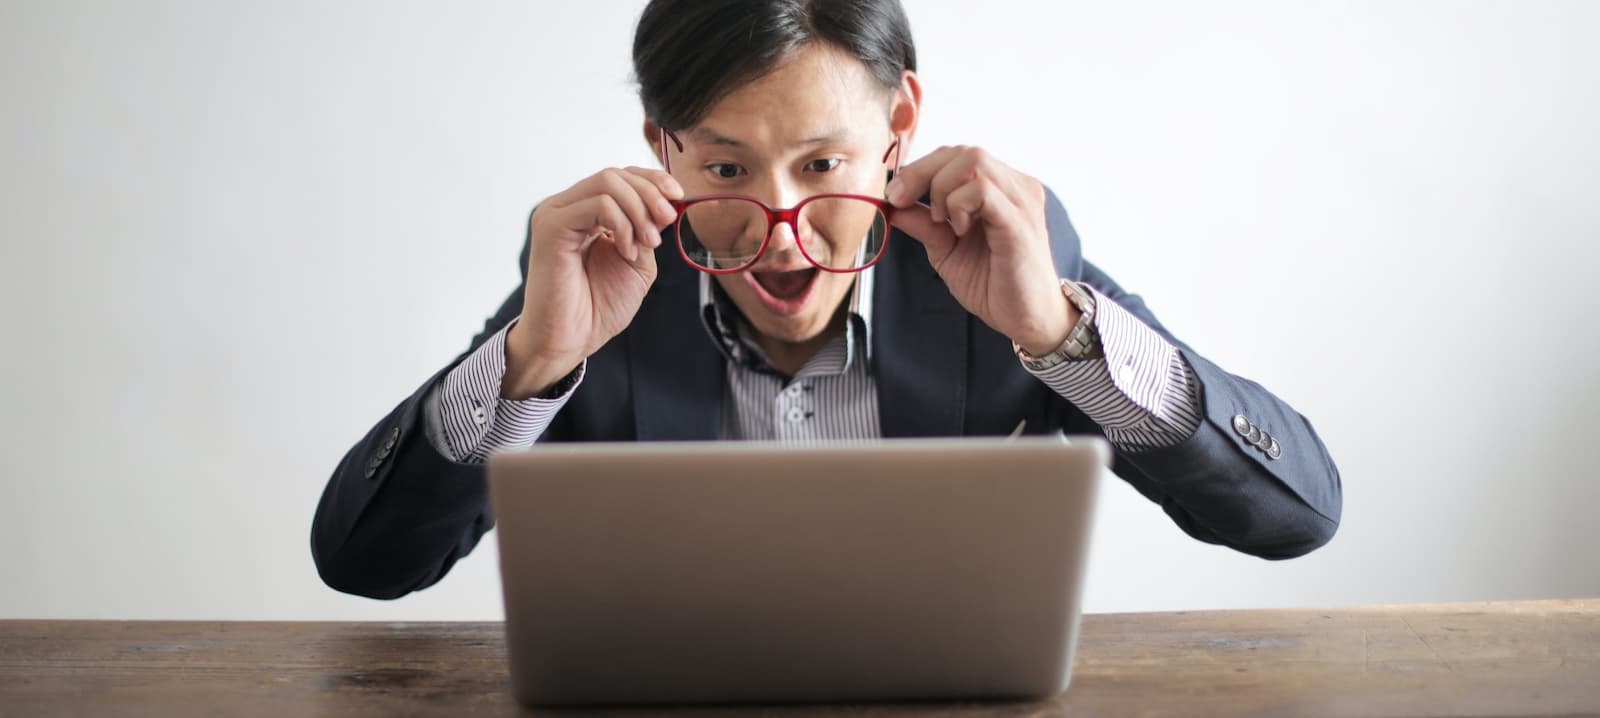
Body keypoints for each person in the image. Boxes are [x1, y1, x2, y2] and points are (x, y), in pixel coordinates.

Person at [312, 0, 1342, 600]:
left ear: (900, 126)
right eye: (724, 168)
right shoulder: (601, 278)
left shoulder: (1001, 260)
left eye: (822, 161)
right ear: (661, 149)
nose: (778, 217)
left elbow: (1295, 515)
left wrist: (1057, 333)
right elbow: (364, 561)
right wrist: (531, 366)